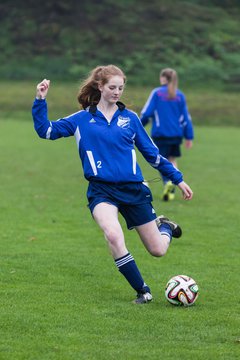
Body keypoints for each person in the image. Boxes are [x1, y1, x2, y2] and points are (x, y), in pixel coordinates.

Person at [32, 65, 193, 305]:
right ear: (100, 86)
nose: (117, 92)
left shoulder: (130, 119)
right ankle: (143, 290)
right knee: (113, 235)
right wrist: (40, 100)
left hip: (134, 190)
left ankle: (165, 227)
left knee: (158, 250)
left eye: (120, 87)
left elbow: (153, 155)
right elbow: (45, 131)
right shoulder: (81, 119)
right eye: (112, 87)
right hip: (101, 191)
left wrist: (177, 179)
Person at [140, 68, 194, 201]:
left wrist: (138, 127)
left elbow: (147, 113)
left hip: (161, 134)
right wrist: (189, 136)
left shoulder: (157, 93)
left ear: (163, 78)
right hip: (176, 134)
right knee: (172, 159)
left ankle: (168, 183)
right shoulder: (179, 95)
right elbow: (186, 118)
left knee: (161, 160)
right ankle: (174, 183)